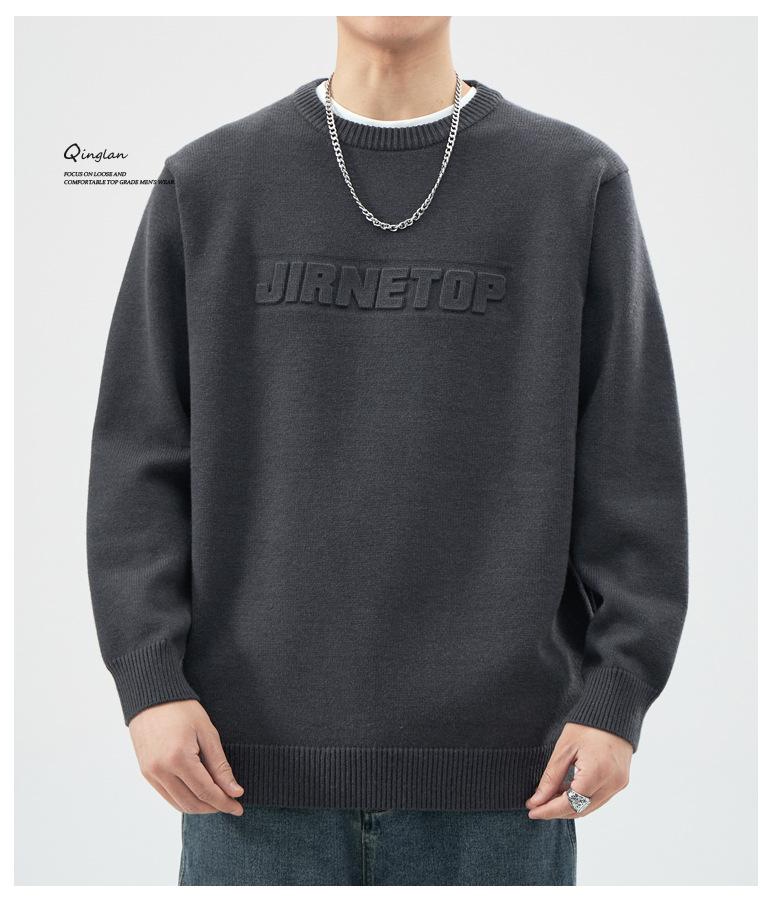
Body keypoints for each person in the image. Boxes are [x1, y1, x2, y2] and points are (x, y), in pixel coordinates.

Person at [86, 15, 688, 886]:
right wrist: (148, 682)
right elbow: (138, 459)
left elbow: (632, 461)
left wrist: (619, 692)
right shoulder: (210, 181)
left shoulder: (573, 182)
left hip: (506, 787)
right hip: (244, 778)